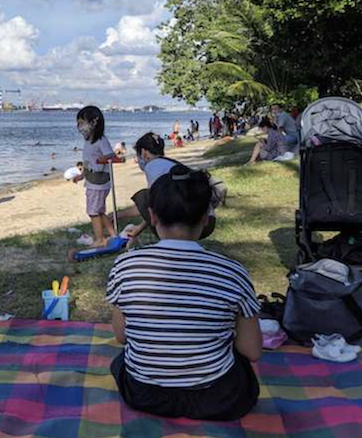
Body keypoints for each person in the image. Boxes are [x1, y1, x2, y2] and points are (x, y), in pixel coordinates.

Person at [107, 164, 262, 420]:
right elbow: (252, 351)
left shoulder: (126, 265)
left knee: (121, 362)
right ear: (205, 218)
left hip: (144, 394)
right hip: (216, 399)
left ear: (152, 216)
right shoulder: (232, 272)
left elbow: (122, 337)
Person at [114, 132, 216, 248]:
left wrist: (119, 216)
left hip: (192, 221)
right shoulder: (167, 164)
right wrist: (139, 228)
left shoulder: (152, 167)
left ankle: (169, 242)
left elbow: (156, 204)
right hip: (202, 218)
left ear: (143, 153)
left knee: (143, 197)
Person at [74, 106, 116, 248]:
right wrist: (82, 175)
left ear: (93, 123)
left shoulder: (100, 140)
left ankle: (100, 239)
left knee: (93, 212)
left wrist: (101, 160)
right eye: (78, 123)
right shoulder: (88, 141)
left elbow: (110, 155)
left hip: (99, 182)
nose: (79, 126)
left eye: (82, 123)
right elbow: (86, 162)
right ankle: (112, 234)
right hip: (92, 181)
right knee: (100, 210)